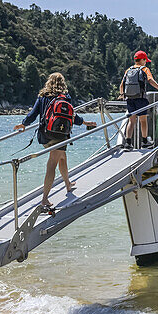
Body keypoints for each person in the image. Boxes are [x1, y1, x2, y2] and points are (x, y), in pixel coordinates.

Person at [13, 72, 96, 211]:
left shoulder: (42, 96)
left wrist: (23, 124)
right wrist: (85, 122)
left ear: (48, 82)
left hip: (45, 135)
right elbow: (73, 116)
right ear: (62, 83)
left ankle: (68, 184)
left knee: (62, 157)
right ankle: (44, 199)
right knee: (52, 163)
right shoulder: (65, 97)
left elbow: (32, 114)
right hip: (61, 135)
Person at [119, 51, 158, 149]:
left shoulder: (128, 69)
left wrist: (122, 94)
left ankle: (128, 143)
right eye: (145, 60)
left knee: (131, 121)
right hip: (140, 99)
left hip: (129, 99)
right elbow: (150, 80)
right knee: (143, 121)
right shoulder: (145, 69)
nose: (146, 62)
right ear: (142, 60)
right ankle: (145, 141)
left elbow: (122, 84)